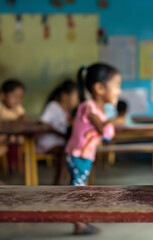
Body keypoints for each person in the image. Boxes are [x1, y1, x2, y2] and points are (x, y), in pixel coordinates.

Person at [65, 63, 121, 235]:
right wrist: (116, 120)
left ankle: (81, 221)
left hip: (85, 156)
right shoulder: (88, 107)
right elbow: (103, 130)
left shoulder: (99, 110)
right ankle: (79, 223)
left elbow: (108, 135)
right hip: (77, 155)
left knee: (81, 188)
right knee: (78, 190)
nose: (119, 92)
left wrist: (111, 119)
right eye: (117, 86)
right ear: (99, 88)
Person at [36, 79, 79, 185]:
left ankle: (69, 181)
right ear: (64, 96)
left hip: (57, 143)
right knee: (66, 152)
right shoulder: (53, 106)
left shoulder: (65, 111)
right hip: (46, 144)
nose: (77, 100)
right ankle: (57, 184)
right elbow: (42, 123)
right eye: (75, 96)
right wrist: (59, 133)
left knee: (72, 151)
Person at [0, 79, 27, 171]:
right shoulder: (1, 108)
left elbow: (25, 119)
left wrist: (21, 117)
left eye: (20, 97)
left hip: (15, 139)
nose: (17, 100)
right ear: (3, 95)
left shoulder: (18, 108)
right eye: (14, 97)